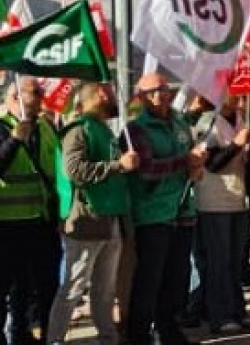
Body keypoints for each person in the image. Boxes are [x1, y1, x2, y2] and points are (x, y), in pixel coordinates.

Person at [46, 82, 139, 345]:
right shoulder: (78, 130)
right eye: (109, 92)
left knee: (105, 289)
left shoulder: (103, 129)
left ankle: (108, 336)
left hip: (110, 217)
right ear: (99, 95)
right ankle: (55, 339)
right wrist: (117, 165)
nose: (114, 96)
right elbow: (74, 170)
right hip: (87, 218)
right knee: (74, 286)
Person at [124, 73, 205, 345]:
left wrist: (196, 166)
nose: (162, 95)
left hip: (182, 208)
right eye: (154, 91)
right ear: (142, 97)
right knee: (150, 279)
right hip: (152, 212)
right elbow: (146, 170)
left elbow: (190, 155)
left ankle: (168, 328)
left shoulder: (179, 122)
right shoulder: (137, 129)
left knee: (176, 277)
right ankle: (138, 333)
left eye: (165, 89)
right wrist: (184, 162)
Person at [0, 78, 62, 345]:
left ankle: (45, 335)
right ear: (14, 97)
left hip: (42, 221)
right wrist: (14, 141)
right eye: (35, 93)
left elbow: (57, 173)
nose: (41, 97)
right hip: (7, 224)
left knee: (45, 286)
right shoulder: (2, 128)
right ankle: (14, 336)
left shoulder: (45, 128)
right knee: (11, 289)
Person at [192, 96, 250, 335]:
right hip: (215, 201)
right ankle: (220, 314)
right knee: (219, 260)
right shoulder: (208, 122)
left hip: (239, 200)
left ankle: (237, 309)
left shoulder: (241, 119)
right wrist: (237, 145)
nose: (238, 98)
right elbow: (212, 163)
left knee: (236, 260)